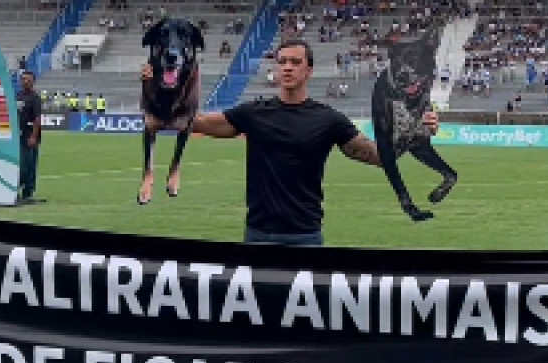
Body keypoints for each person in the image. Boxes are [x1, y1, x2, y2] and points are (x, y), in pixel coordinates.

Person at [142, 39, 440, 247]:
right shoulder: (253, 113)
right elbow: (200, 122)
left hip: (305, 237)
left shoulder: (328, 119)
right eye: (282, 61)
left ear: (308, 70)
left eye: (295, 62)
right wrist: (159, 97)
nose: (287, 67)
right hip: (257, 235)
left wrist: (416, 131)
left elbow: (378, 157)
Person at [16, 71, 42, 202]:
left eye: (28, 79)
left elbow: (37, 119)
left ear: (33, 82)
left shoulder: (35, 98)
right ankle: (16, 189)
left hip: (29, 136)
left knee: (29, 165)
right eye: (23, 79)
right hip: (18, 136)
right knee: (19, 164)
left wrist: (33, 136)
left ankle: (28, 192)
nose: (25, 81)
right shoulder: (18, 96)